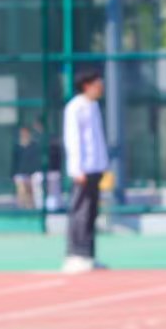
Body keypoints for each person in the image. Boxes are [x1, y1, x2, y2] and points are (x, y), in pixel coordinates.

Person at [62, 71, 109, 272]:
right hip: (82, 169)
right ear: (87, 86)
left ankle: (88, 255)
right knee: (79, 211)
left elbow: (97, 139)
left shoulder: (94, 106)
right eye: (97, 84)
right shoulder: (75, 107)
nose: (101, 88)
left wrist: (103, 164)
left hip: (95, 167)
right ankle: (75, 255)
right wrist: (76, 168)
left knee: (91, 213)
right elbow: (72, 139)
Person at [11, 122, 44, 210]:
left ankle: (32, 209)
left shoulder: (34, 146)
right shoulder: (17, 147)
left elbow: (35, 162)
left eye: (26, 133)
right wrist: (13, 175)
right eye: (22, 133)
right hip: (21, 174)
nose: (24, 135)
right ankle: (22, 209)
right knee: (21, 191)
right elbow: (15, 162)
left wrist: (30, 174)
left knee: (32, 192)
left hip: (32, 174)